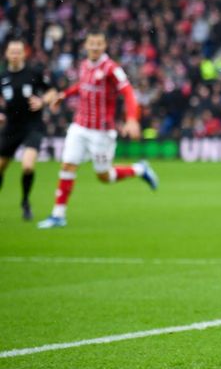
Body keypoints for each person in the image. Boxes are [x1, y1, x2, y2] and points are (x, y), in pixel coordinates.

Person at [37, 30, 158, 229]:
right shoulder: (84, 65)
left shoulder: (112, 68)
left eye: (98, 44)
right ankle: (58, 215)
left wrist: (131, 119)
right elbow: (82, 86)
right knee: (67, 165)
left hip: (101, 131)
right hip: (79, 126)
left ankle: (140, 169)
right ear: (86, 45)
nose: (94, 47)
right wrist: (64, 95)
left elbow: (128, 92)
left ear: (104, 46)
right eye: (91, 43)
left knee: (104, 176)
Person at [0, 39, 57, 220]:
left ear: (24, 54)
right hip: (11, 127)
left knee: (27, 166)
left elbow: (52, 91)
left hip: (32, 126)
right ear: (7, 54)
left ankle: (25, 202)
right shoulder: (2, 77)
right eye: (12, 51)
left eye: (18, 51)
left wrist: (42, 101)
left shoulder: (34, 73)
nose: (15, 55)